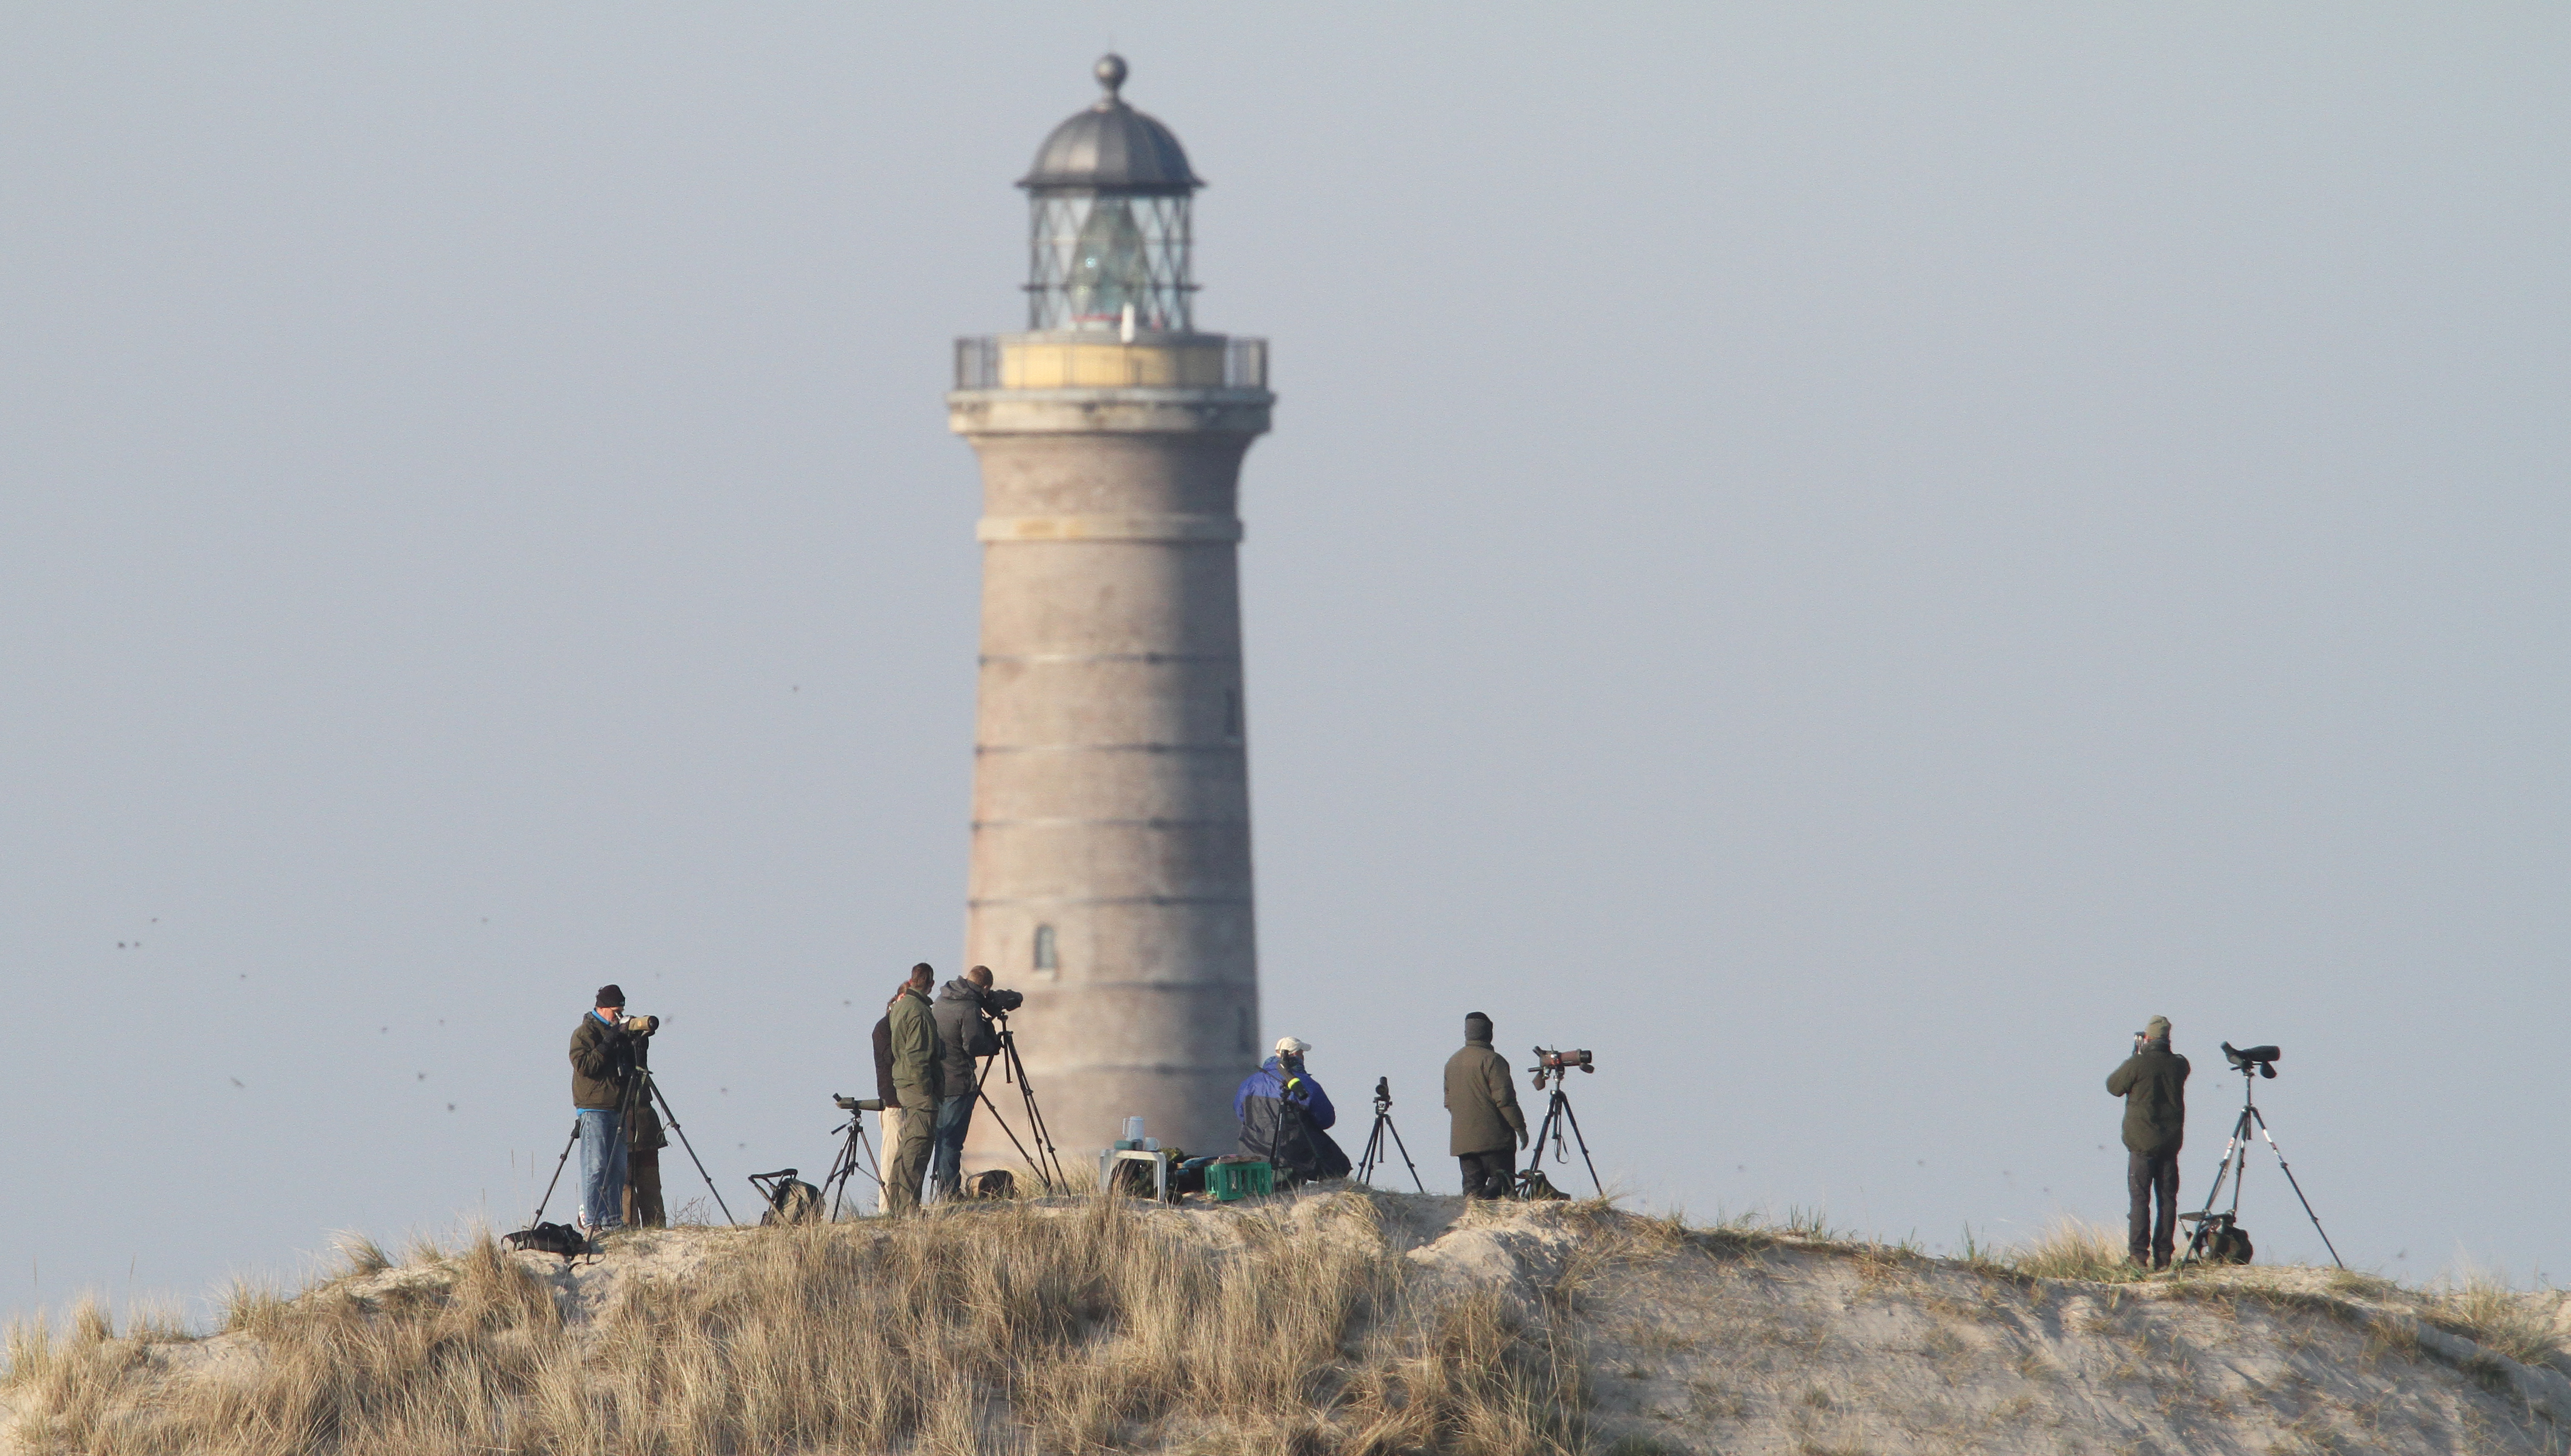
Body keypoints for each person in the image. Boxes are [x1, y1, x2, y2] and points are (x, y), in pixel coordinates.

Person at [2107, 1014, 2190, 1269]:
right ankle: (2164, 1257)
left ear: (2147, 1038)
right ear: (2168, 1038)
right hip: (2170, 1143)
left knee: (2140, 1199)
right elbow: (2171, 1068)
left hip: (2142, 1143)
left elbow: (2114, 1086)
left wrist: (2136, 1055)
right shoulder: (2179, 1065)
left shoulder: (2138, 1064)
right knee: (2168, 1199)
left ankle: (2138, 1256)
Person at [1233, 1035, 1351, 1184]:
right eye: (1302, 1053)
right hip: (1294, 1154)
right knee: (1339, 1165)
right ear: (1296, 1055)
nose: (1304, 1057)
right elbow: (1326, 1120)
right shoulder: (1305, 1084)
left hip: (1253, 1150)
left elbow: (1241, 1114)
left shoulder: (1249, 1083)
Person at [930, 966, 1004, 1200]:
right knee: (952, 1141)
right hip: (959, 1081)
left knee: (941, 1139)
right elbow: (972, 1045)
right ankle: (950, 1193)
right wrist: (993, 1044)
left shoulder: (942, 1000)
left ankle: (941, 1190)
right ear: (985, 988)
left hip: (939, 1081)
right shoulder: (969, 1007)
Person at [567, 984, 636, 1237]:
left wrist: (633, 1042)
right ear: (602, 1008)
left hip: (617, 1106)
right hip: (593, 1106)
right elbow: (585, 1065)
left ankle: (614, 1218)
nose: (618, 1017)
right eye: (615, 1012)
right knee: (595, 1165)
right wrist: (609, 1040)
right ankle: (593, 1218)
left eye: (622, 1013)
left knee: (617, 1166)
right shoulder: (584, 1033)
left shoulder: (616, 1033)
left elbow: (630, 1067)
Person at [883, 963, 944, 1215]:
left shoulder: (901, 1006)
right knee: (918, 1145)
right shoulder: (918, 1011)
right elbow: (918, 1055)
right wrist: (927, 1088)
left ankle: (897, 1202)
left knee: (908, 1143)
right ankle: (908, 1206)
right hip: (916, 1086)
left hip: (904, 1083)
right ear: (930, 983)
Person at [1444, 1011, 1526, 1199]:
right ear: (1489, 1032)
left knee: (1472, 1190)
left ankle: (1473, 1221)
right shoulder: (1493, 1060)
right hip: (1495, 1140)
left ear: (1467, 1032)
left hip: (1462, 1141)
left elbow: (1448, 1103)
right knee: (1502, 1187)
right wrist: (1520, 1128)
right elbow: (1505, 1100)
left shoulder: (1452, 1062)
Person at [620, 1027, 668, 1228]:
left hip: (634, 1123)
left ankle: (631, 1229)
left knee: (629, 1187)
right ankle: (656, 1229)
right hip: (642, 1122)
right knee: (645, 1187)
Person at [869, 991, 904, 1215]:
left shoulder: (892, 1028)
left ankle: (900, 1206)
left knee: (901, 1159)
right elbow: (891, 1059)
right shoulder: (885, 1029)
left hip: (901, 1102)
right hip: (893, 1104)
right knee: (891, 1160)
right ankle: (886, 1210)